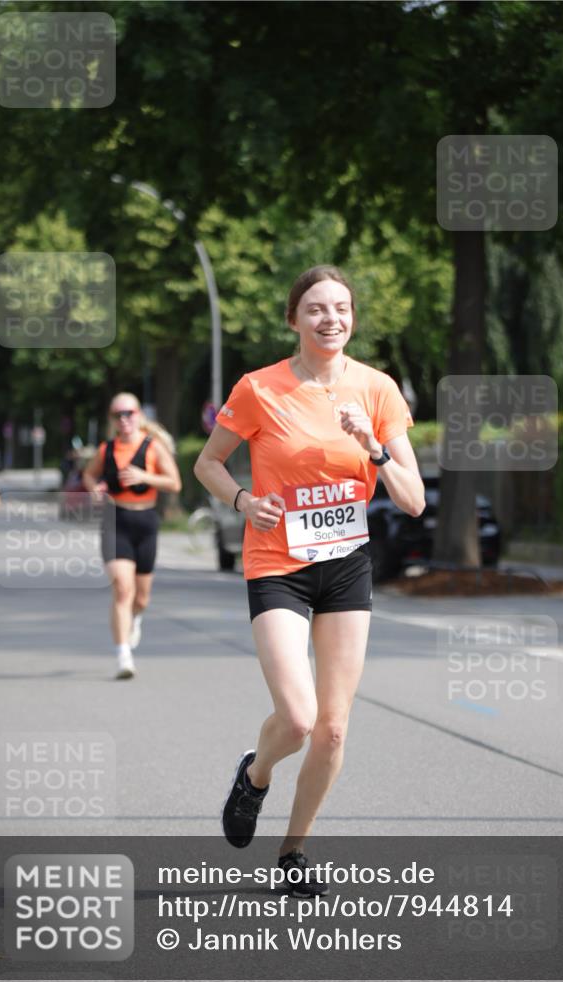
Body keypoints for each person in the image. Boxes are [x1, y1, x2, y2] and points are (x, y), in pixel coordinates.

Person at [194, 265, 425, 896]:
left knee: (333, 727)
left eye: (342, 309)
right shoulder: (260, 388)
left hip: (346, 565)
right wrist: (243, 501)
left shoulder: (377, 390)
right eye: (317, 309)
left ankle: (293, 850)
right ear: (294, 319)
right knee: (297, 718)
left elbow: (413, 500)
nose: (332, 319)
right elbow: (208, 463)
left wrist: (373, 445)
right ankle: (256, 774)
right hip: (277, 564)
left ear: (353, 317)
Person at [83, 394, 182, 680]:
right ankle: (123, 655)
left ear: (139, 415)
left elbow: (174, 483)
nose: (124, 419)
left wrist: (144, 476)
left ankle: (136, 619)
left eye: (129, 413)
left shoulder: (153, 447)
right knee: (122, 589)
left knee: (141, 598)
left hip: (146, 521)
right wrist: (94, 488)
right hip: (116, 521)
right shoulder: (106, 450)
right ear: (112, 420)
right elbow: (89, 475)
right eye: (118, 415)